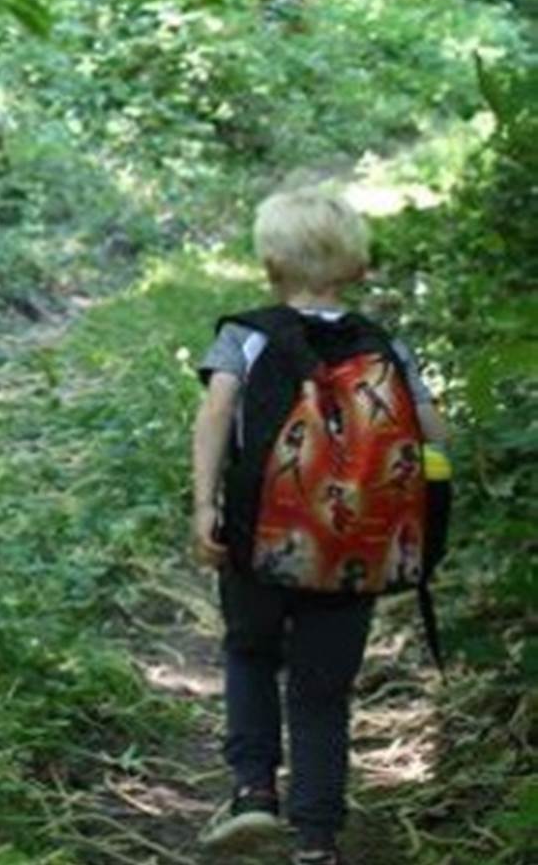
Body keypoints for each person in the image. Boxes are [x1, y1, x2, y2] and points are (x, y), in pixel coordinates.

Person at [191, 187, 450, 865]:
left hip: (260, 540)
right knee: (322, 690)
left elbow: (215, 417)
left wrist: (204, 506)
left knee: (249, 652)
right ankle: (316, 837)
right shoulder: (383, 345)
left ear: (270, 265)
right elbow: (433, 436)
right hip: (355, 548)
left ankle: (252, 794)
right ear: (357, 268)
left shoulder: (245, 336)